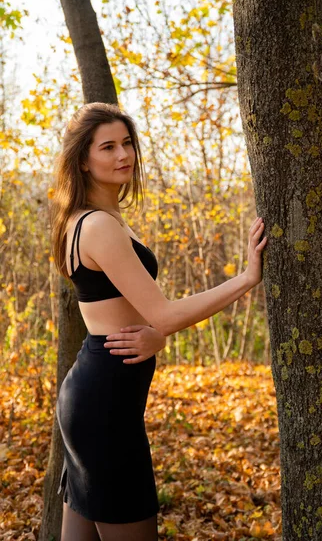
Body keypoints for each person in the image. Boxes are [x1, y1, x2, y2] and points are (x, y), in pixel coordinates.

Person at [50, 102, 268, 541]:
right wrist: (247, 278)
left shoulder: (85, 220)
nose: (123, 154)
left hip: (96, 393)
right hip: (105, 404)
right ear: (83, 161)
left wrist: (157, 336)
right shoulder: (98, 226)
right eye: (107, 147)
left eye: (126, 143)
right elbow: (163, 313)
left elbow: (131, 315)